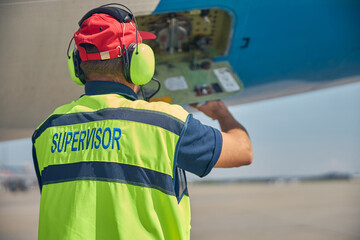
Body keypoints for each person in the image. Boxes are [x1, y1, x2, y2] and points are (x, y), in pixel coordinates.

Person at [32, 4, 252, 240]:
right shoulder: (166, 124)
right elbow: (243, 151)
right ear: (138, 62)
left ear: (77, 66)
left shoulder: (46, 131)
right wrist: (221, 113)